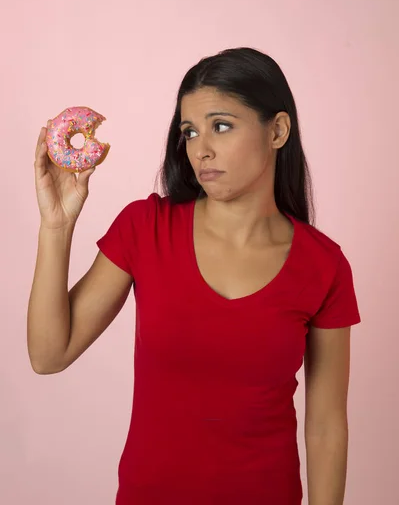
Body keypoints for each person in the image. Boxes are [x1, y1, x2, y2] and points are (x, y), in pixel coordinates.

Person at [28, 47, 361, 505]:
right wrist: (56, 226)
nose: (200, 148)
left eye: (221, 126)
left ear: (278, 131)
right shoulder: (146, 227)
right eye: (189, 131)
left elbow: (325, 428)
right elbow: (49, 354)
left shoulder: (324, 266)